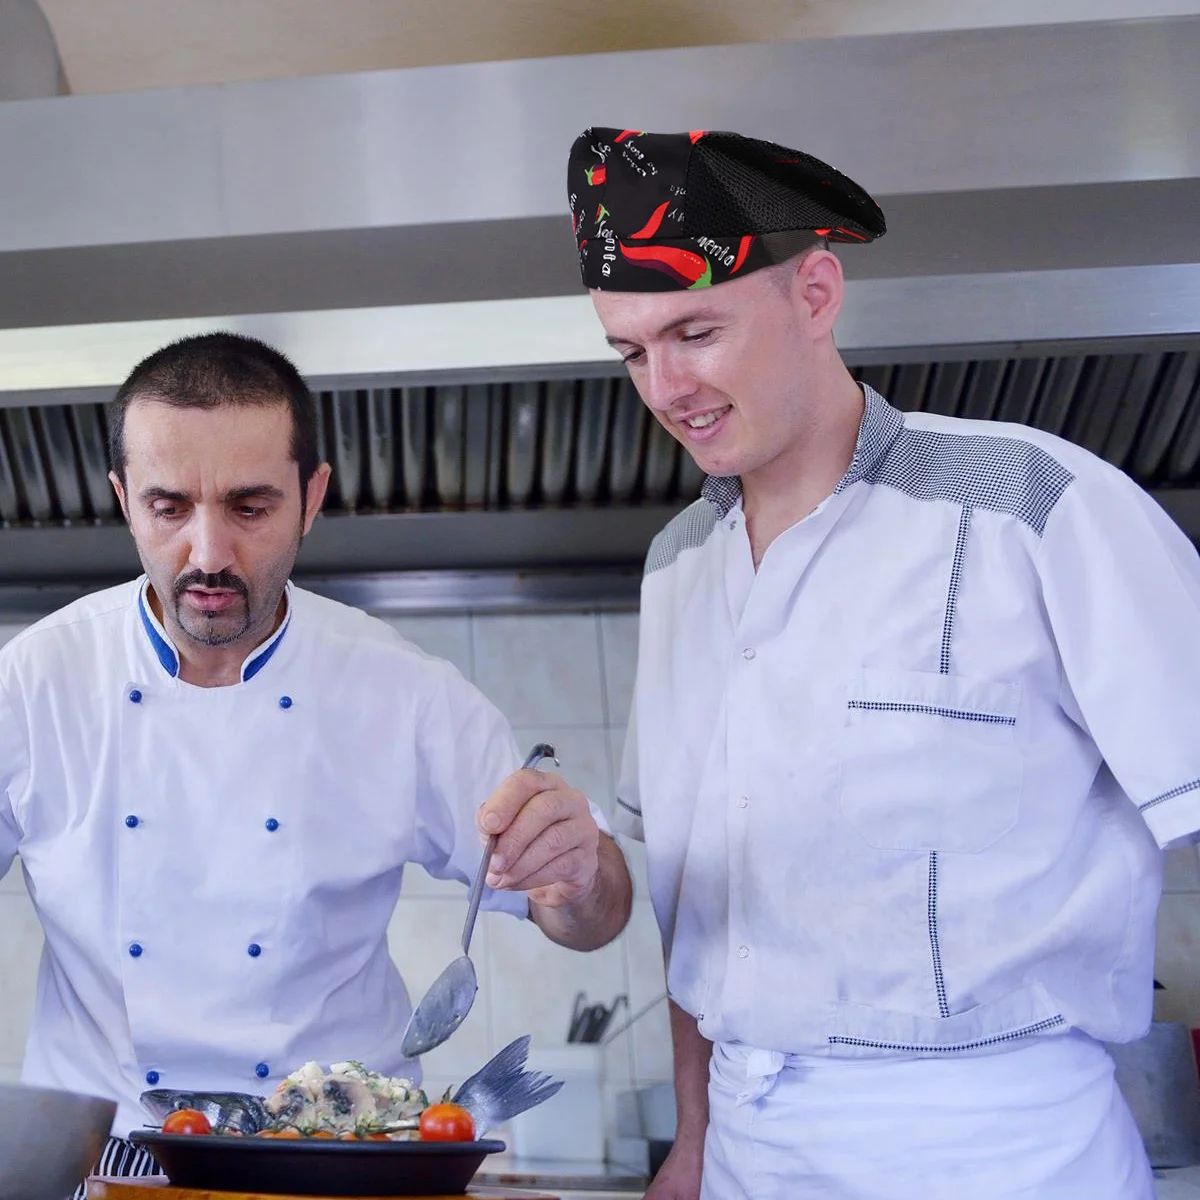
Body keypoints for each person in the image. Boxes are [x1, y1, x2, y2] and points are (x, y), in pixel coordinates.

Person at [566, 127, 1200, 1198]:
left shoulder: (1037, 507)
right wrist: (694, 1136)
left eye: (696, 331)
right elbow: (699, 895)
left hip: (1000, 1154)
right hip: (745, 1159)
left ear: (816, 293)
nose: (665, 386)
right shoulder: (678, 567)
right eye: (632, 352)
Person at [0, 331, 632, 1186]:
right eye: (168, 507)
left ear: (313, 495)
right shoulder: (34, 684)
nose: (209, 554)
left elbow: (591, 919)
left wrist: (581, 874)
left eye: (251, 506)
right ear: (122, 499)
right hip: (109, 1171)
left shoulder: (404, 694)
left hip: (337, 1167)